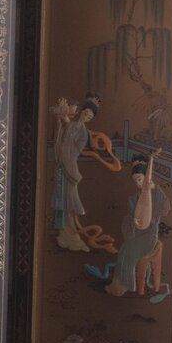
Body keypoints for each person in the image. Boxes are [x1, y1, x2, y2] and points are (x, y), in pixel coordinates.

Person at [106, 150, 170, 296]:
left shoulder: (156, 194)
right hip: (136, 236)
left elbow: (165, 208)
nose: (138, 183)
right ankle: (121, 284)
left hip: (149, 238)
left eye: (140, 179)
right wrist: (132, 221)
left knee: (127, 249)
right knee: (124, 248)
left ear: (147, 178)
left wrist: (155, 188)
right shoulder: (132, 199)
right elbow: (128, 218)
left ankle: (123, 285)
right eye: (135, 181)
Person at [51, 92, 101, 252]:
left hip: (70, 168)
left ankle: (72, 237)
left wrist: (68, 132)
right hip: (61, 166)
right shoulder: (71, 124)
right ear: (82, 111)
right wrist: (60, 121)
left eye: (90, 116)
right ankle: (63, 234)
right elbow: (61, 136)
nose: (87, 117)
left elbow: (75, 150)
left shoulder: (83, 132)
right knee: (61, 200)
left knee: (69, 203)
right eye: (86, 113)